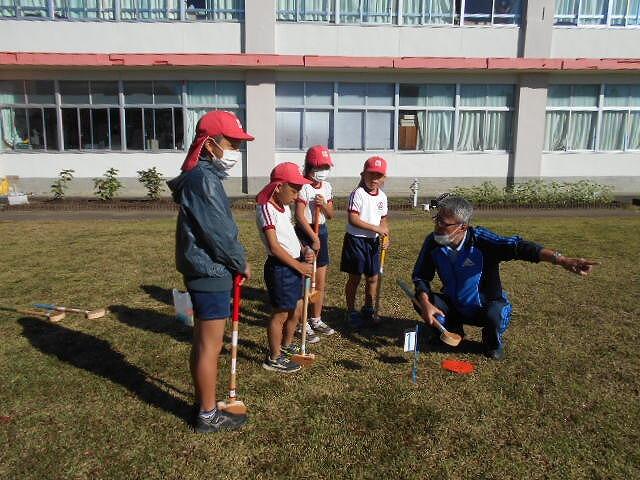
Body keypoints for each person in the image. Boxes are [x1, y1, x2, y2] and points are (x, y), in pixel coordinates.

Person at [412, 194, 598, 360]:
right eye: (437, 220)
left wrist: (562, 260)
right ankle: (451, 329)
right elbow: (421, 276)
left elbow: (520, 247)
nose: (437, 226)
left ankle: (491, 340)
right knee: (420, 299)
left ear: (463, 226)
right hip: (454, 304)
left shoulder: (482, 241)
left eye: (444, 223)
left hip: (485, 308)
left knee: (495, 314)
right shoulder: (433, 242)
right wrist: (426, 303)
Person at [167, 110, 253, 433]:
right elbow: (219, 233)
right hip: (210, 271)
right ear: (209, 144)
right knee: (210, 346)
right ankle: (208, 414)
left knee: (203, 342)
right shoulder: (203, 179)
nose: (236, 151)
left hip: (204, 269)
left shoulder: (202, 176)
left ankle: (204, 402)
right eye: (232, 144)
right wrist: (239, 262)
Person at [256, 162, 315, 373]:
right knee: (280, 314)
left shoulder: (284, 207)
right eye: (294, 190)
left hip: (294, 265)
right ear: (279, 187)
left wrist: (304, 248)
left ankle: (286, 346)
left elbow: (289, 234)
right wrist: (299, 266)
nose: (297, 196)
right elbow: (274, 246)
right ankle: (274, 358)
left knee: (297, 310)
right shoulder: (266, 208)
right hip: (281, 268)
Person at [340, 156, 390, 329]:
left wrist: (386, 236)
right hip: (356, 241)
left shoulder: (382, 197)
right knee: (355, 278)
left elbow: (383, 220)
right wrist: (376, 228)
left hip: (373, 243)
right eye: (371, 174)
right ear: (363, 175)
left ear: (384, 178)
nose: (374, 179)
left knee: (373, 277)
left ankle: (369, 308)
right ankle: (350, 311)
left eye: (379, 175)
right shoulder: (358, 194)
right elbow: (353, 219)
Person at [294, 145, 336, 343]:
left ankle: (316, 318)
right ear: (310, 167)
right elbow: (299, 215)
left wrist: (323, 205)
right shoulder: (303, 186)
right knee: (305, 280)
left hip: (322, 230)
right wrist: (313, 237)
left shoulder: (327, 187)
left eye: (326, 167)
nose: (323, 171)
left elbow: (331, 214)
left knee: (320, 280)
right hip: (306, 232)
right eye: (320, 167)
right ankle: (302, 322)